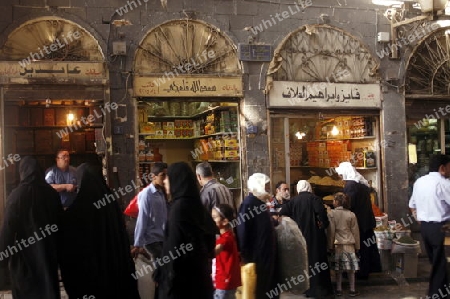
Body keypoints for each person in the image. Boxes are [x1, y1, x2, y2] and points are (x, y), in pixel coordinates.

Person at [58, 163, 140, 299]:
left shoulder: (76, 210)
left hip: (89, 280)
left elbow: (68, 252)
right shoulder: (110, 202)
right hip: (115, 276)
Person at [0, 156, 63, 299]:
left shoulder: (16, 196)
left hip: (24, 260)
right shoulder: (51, 194)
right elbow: (61, 225)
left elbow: (8, 230)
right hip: (47, 255)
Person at [155, 161, 216, 299]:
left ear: (177, 180)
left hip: (182, 286)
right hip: (200, 282)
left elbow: (173, 252)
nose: (165, 181)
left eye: (168, 177)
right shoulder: (196, 206)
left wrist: (165, 283)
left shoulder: (179, 209)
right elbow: (210, 243)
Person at [280, 180, 333, 298]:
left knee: (303, 262)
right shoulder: (315, 199)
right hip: (315, 237)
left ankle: (305, 289)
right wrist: (323, 225)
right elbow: (322, 215)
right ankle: (319, 289)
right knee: (317, 261)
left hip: (299, 237)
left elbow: (283, 213)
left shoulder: (293, 201)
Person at [409, 154, 450, 298]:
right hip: (441, 228)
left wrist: (420, 220)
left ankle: (442, 293)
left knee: (436, 262)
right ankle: (436, 295)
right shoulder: (444, 183)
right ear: (442, 168)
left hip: (425, 229)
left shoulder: (419, 182)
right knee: (441, 264)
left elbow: (412, 206)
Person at [335, 162, 381, 279]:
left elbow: (349, 204)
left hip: (359, 223)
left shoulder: (351, 186)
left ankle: (361, 272)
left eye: (341, 175)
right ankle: (370, 269)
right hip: (367, 221)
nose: (341, 178)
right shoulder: (361, 183)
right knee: (367, 247)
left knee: (360, 248)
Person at [236, 173, 279, 299]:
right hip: (256, 258)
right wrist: (245, 256)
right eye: (266, 186)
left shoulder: (259, 203)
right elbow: (243, 232)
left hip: (265, 256)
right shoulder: (248, 204)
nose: (268, 189)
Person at [131, 162, 168, 299]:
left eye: (166, 175)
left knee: (163, 273)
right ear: (153, 176)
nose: (165, 179)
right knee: (159, 274)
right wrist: (138, 243)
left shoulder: (162, 193)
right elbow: (142, 219)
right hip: (151, 241)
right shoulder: (146, 194)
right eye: (162, 175)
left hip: (162, 239)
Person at [327, 192, 360, 297]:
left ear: (336, 202)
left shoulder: (331, 214)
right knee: (351, 269)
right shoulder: (351, 214)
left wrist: (330, 245)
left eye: (333, 200)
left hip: (338, 245)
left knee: (338, 269)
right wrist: (357, 246)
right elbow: (355, 232)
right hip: (350, 244)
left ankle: (339, 289)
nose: (332, 202)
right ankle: (352, 289)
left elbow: (331, 231)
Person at [211, 204, 241, 299]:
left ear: (224, 221)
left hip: (224, 282)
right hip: (226, 281)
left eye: (214, 217)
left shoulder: (226, 238)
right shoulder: (228, 235)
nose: (211, 220)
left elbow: (214, 252)